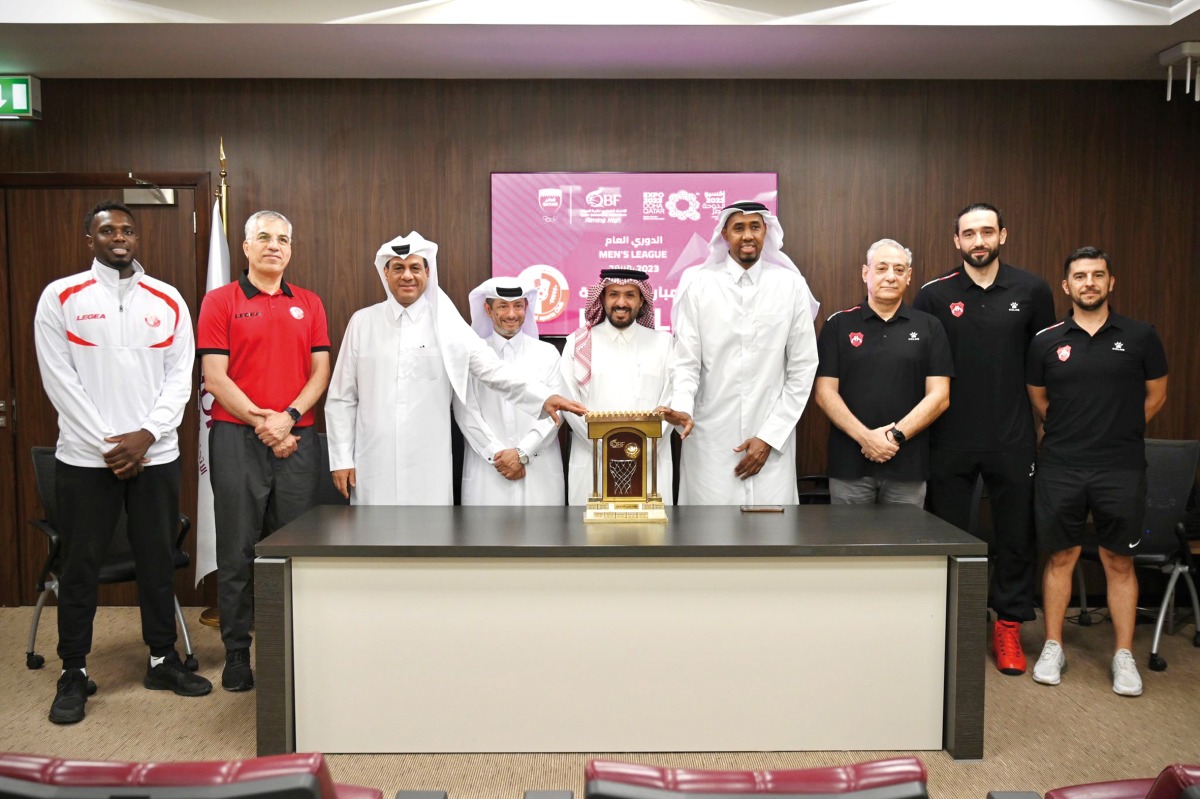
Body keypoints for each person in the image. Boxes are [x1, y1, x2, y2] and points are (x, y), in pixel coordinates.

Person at [34, 200, 211, 724]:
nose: (119, 237)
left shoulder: (168, 298)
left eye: (128, 230)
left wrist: (147, 436)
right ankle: (74, 671)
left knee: (156, 562)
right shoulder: (60, 296)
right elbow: (57, 379)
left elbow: (182, 377)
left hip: (156, 456)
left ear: (138, 238)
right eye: (108, 229)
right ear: (89, 237)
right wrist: (111, 445)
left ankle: (162, 659)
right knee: (81, 565)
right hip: (87, 459)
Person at [325, 232, 585, 505]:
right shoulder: (362, 322)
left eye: (415, 267)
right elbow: (342, 396)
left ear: (427, 272)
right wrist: (341, 458)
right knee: (371, 536)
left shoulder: (447, 324)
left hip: (428, 462)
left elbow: (493, 371)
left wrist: (543, 398)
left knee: (430, 539)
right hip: (373, 457)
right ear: (385, 273)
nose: (407, 276)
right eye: (398, 268)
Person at [913, 202, 1056, 676]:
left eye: (987, 232)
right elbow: (922, 370)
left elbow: (1044, 367)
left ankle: (1009, 626)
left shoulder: (1033, 290)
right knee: (949, 535)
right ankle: (953, 623)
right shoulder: (934, 295)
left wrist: (1043, 422)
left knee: (1016, 535)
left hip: (1012, 436)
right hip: (949, 437)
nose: (979, 241)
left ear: (1003, 236)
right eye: (969, 234)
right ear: (956, 241)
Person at [197, 210, 331, 693]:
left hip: (299, 439)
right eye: (264, 238)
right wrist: (264, 421)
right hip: (238, 439)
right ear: (247, 247)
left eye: (283, 239)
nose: (274, 246)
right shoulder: (220, 301)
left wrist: (288, 418)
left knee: (296, 551)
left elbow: (320, 372)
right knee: (237, 549)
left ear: (291, 249)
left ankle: (296, 647)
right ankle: (237, 652)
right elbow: (215, 377)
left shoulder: (310, 303)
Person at [1026, 247, 1168, 697]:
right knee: (1061, 557)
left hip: (1120, 467)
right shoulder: (1046, 340)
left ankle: (1123, 654)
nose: (1089, 282)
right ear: (1066, 286)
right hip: (1061, 465)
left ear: (1111, 283)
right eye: (1080, 276)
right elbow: (1039, 398)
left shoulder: (1142, 336)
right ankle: (1053, 645)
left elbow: (1156, 396)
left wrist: (1118, 430)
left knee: (1118, 560)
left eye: (1098, 275)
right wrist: (1075, 432)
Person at [668, 200, 819, 505]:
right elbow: (686, 361)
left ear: (766, 232)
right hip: (710, 438)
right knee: (708, 534)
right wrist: (682, 408)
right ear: (724, 235)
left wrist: (770, 437)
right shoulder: (698, 285)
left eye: (755, 227)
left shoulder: (791, 286)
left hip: (772, 437)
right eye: (738, 228)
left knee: (772, 537)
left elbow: (803, 368)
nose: (747, 235)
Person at [815, 239, 953, 505]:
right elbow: (824, 393)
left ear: (909, 277)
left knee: (904, 546)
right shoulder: (838, 324)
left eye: (899, 270)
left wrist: (893, 437)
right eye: (882, 268)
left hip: (908, 467)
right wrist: (866, 438)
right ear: (866, 273)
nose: (891, 276)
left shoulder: (930, 327)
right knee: (849, 545)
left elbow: (940, 396)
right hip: (850, 467)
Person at [559, 268, 689, 505]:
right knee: (590, 538)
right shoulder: (577, 343)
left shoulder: (664, 343)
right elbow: (569, 404)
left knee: (651, 538)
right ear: (602, 299)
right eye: (613, 294)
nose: (621, 302)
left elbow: (671, 401)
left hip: (650, 459)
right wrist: (607, 447)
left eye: (630, 295)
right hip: (593, 459)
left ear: (642, 301)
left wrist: (642, 448)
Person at [452, 277, 565, 505]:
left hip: (538, 468)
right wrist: (498, 456)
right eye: (503, 306)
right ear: (488, 309)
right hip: (489, 470)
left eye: (518, 306)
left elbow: (556, 413)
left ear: (526, 308)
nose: (511, 314)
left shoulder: (548, 353)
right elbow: (466, 413)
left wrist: (522, 453)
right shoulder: (471, 355)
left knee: (542, 538)